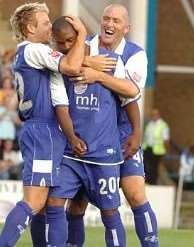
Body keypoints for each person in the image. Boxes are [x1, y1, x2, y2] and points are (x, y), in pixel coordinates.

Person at [63, 4, 160, 247]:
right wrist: (87, 60)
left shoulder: (135, 54)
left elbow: (131, 91)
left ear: (126, 28)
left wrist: (98, 73)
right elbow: (67, 62)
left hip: (123, 133)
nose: (109, 24)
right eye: (106, 18)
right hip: (90, 134)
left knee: (136, 194)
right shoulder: (85, 47)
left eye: (116, 21)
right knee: (77, 203)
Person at [40, 15, 139, 246]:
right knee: (56, 203)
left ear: (79, 36)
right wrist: (85, 61)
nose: (65, 47)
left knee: (109, 211)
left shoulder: (109, 61)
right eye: (60, 42)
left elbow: (131, 95)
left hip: (103, 155)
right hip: (69, 152)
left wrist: (137, 132)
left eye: (70, 41)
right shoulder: (57, 62)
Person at [0, 3, 87, 246]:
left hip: (48, 132)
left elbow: (62, 92)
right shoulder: (33, 50)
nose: (50, 26)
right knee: (35, 202)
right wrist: (83, 35)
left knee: (50, 204)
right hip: (41, 131)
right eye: (45, 23)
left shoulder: (37, 55)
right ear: (30, 28)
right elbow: (71, 65)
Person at [143, 108, 170, 185]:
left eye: (155, 114)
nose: (153, 116)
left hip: (157, 150)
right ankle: (146, 181)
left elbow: (166, 140)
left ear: (159, 115)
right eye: (152, 115)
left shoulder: (163, 125)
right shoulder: (150, 124)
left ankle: (152, 182)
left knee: (154, 167)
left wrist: (166, 151)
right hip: (147, 148)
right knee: (145, 165)